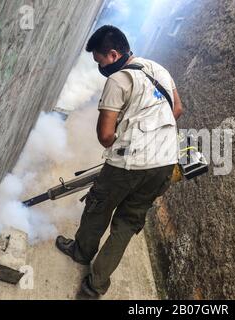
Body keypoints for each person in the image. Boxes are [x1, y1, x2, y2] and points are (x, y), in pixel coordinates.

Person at [55, 25, 183, 298]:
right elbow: (177, 110)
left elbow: (105, 135)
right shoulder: (160, 69)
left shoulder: (118, 80)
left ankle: (81, 252)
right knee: (127, 223)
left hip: (128, 165)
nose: (100, 67)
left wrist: (128, 137)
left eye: (100, 61)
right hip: (165, 164)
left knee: (98, 207)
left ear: (112, 54)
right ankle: (95, 285)